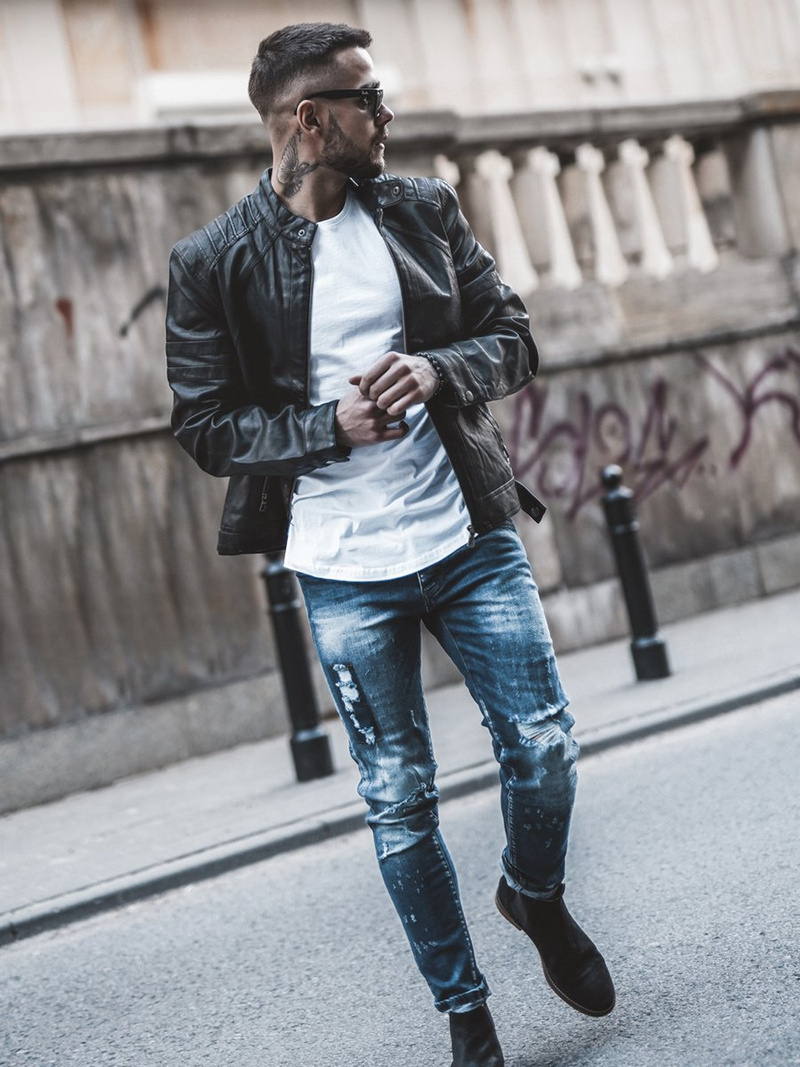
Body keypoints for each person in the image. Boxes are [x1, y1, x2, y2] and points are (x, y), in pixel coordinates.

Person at [166, 22, 614, 1067]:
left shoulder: (421, 210)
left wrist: (437, 369)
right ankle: (465, 1010)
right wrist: (328, 426)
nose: (387, 115)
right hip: (343, 568)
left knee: (544, 743)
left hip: (465, 533)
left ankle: (533, 895)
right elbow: (204, 425)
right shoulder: (214, 263)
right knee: (399, 797)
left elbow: (512, 336)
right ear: (309, 120)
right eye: (367, 100)